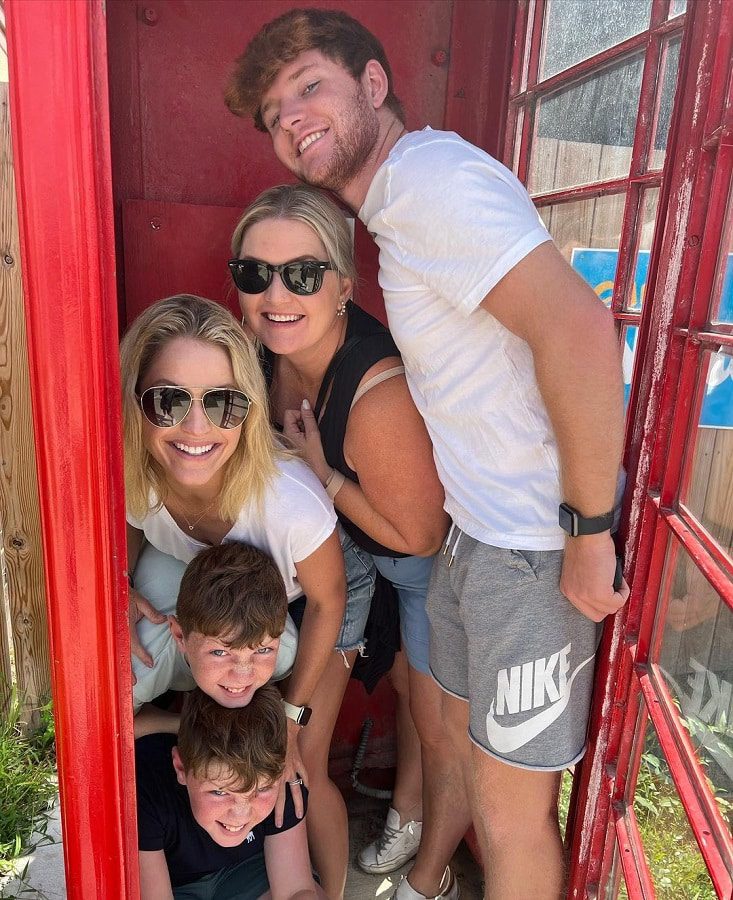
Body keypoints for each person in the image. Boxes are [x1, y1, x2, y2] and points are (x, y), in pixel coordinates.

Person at [225, 11, 631, 900]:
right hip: (474, 537)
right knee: (446, 736)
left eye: (310, 87)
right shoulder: (397, 204)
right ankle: (428, 875)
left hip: (532, 541)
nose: (292, 118)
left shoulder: (427, 183)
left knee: (512, 813)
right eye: (273, 113)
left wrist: (589, 528)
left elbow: (578, 330)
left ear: (373, 85)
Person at [230, 184, 456, 894]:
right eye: (254, 273)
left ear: (342, 288)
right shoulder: (257, 356)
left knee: (429, 708)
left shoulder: (376, 392)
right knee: (393, 679)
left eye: (301, 274)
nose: (275, 293)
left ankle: (424, 851)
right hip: (349, 554)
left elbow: (419, 538)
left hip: (416, 565)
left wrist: (323, 472)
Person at [120, 294, 353, 897]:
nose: (197, 429)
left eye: (222, 403)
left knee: (306, 767)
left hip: (315, 600)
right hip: (208, 586)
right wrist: (114, 590)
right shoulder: (132, 472)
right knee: (124, 668)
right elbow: (126, 522)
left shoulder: (289, 503)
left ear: (247, 411)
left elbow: (330, 602)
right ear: (136, 404)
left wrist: (294, 720)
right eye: (169, 401)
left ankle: (325, 882)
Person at [136, 684, 325, 899]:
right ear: (181, 768)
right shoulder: (149, 788)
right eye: (219, 792)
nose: (240, 814)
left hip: (249, 870)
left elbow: (296, 889)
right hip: (173, 884)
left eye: (261, 790)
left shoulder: (279, 778)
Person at [132, 540, 297, 735]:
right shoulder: (142, 668)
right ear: (179, 635)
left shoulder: (284, 648)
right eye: (220, 652)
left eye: (262, 650)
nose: (242, 675)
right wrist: (188, 725)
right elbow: (112, 730)